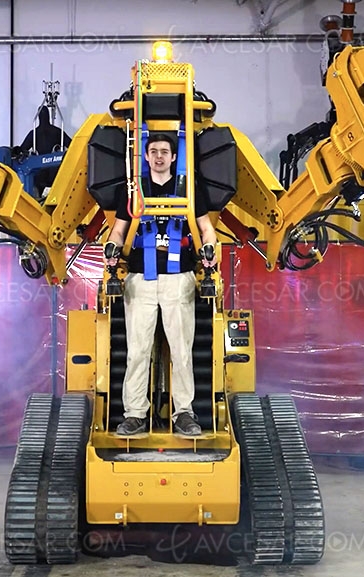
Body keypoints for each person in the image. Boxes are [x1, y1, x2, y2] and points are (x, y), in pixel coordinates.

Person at [105, 133, 218, 437]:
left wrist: (209, 247)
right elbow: (118, 230)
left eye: (164, 152)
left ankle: (184, 413)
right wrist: (112, 246)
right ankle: (134, 414)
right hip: (140, 280)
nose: (158, 156)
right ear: (145, 156)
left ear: (173, 157)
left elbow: (206, 228)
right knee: (137, 351)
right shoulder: (133, 191)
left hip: (178, 280)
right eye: (153, 151)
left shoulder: (189, 189)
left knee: (181, 351)